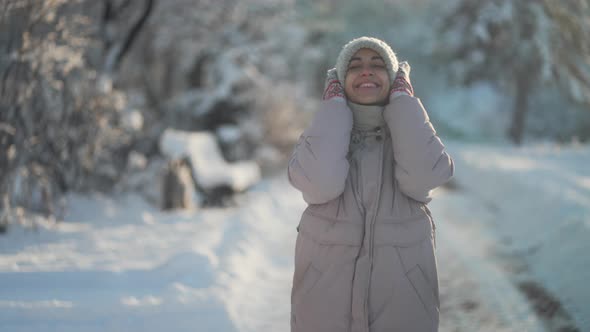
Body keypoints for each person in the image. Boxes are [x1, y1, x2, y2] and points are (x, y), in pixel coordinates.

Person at [287, 36, 454, 332]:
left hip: (402, 310)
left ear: (393, 80)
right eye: (354, 66)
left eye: (378, 65)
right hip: (323, 309)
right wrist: (334, 107)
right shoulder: (325, 127)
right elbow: (319, 183)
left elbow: (425, 177)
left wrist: (403, 102)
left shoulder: (409, 130)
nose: (366, 71)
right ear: (339, 82)